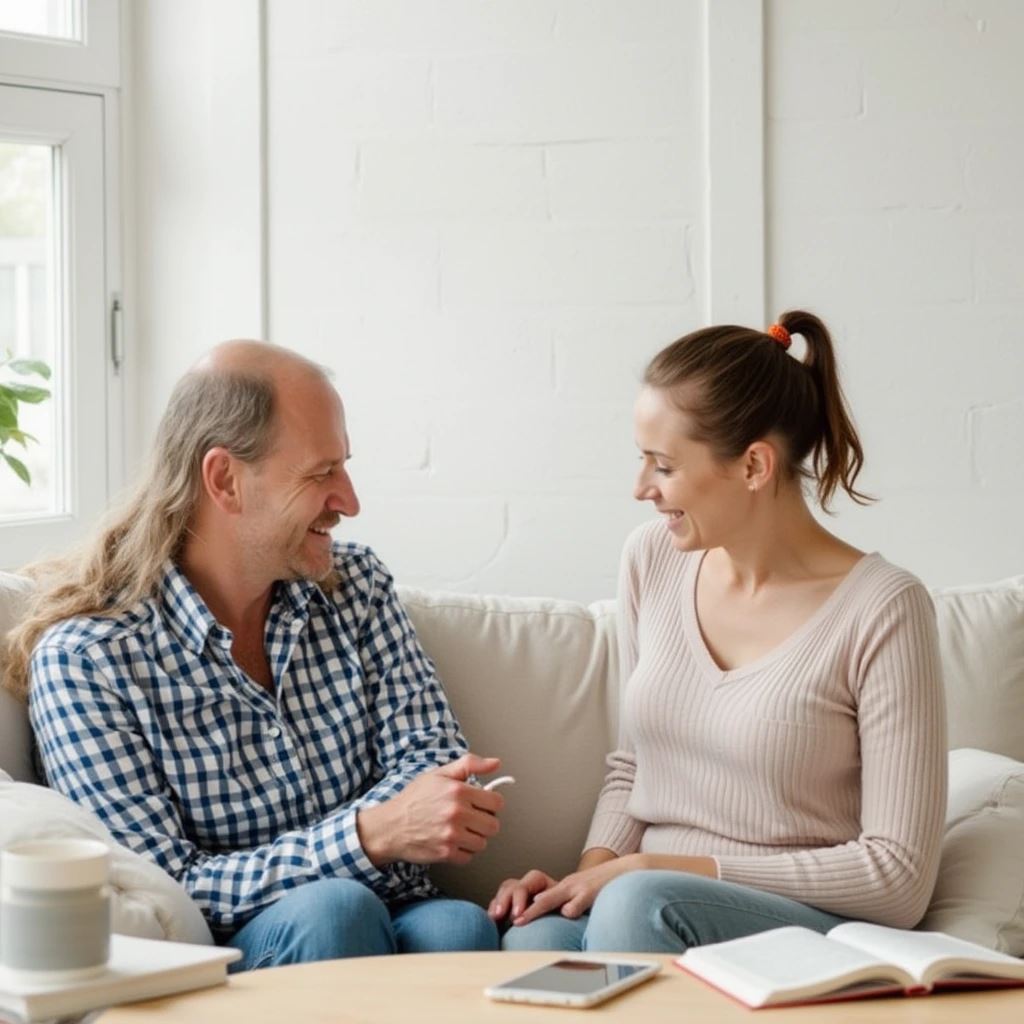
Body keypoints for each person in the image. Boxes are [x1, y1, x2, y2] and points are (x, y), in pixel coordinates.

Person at [7, 341, 505, 968]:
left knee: (457, 928)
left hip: (394, 905)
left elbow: (433, 760)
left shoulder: (355, 589)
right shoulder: (90, 662)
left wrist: (397, 826)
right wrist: (370, 834)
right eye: (321, 473)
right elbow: (163, 889)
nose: (350, 501)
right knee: (335, 912)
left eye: (344, 467)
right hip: (229, 951)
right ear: (225, 480)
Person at [491, 310, 947, 953]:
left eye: (663, 466)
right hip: (644, 898)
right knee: (534, 941)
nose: (641, 488)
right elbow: (634, 767)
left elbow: (896, 878)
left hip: (798, 921)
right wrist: (587, 881)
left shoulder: (884, 608)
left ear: (755, 466)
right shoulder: (652, 558)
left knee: (635, 908)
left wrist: (659, 872)